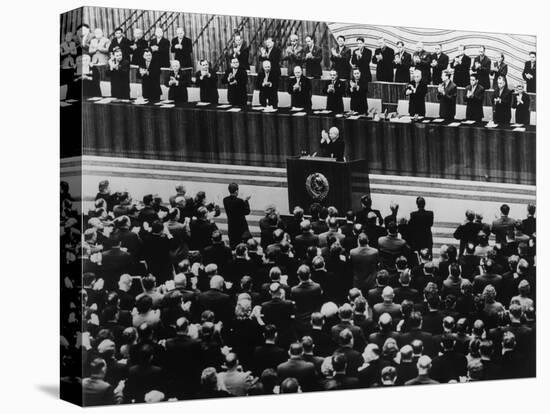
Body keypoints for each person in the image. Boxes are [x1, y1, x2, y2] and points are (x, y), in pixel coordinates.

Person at [223, 183, 251, 248]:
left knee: (233, 244)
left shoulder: (225, 200)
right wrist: (246, 201)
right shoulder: (240, 201)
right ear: (236, 191)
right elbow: (247, 212)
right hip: (241, 227)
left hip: (231, 226)